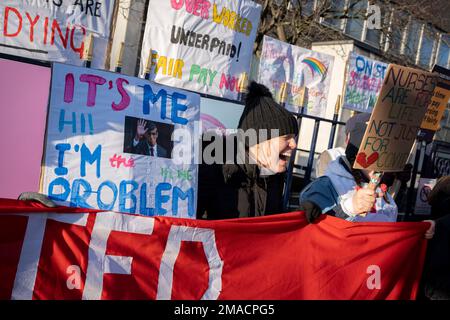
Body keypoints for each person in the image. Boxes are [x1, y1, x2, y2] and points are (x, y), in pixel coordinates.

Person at [197, 81, 299, 218]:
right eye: (286, 137)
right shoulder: (214, 168)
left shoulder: (275, 176)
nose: (293, 144)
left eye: (294, 137)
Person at [299, 113, 398, 223]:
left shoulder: (383, 191)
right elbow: (311, 223)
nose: (382, 166)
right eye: (377, 158)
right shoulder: (326, 185)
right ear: (357, 157)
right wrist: (351, 207)